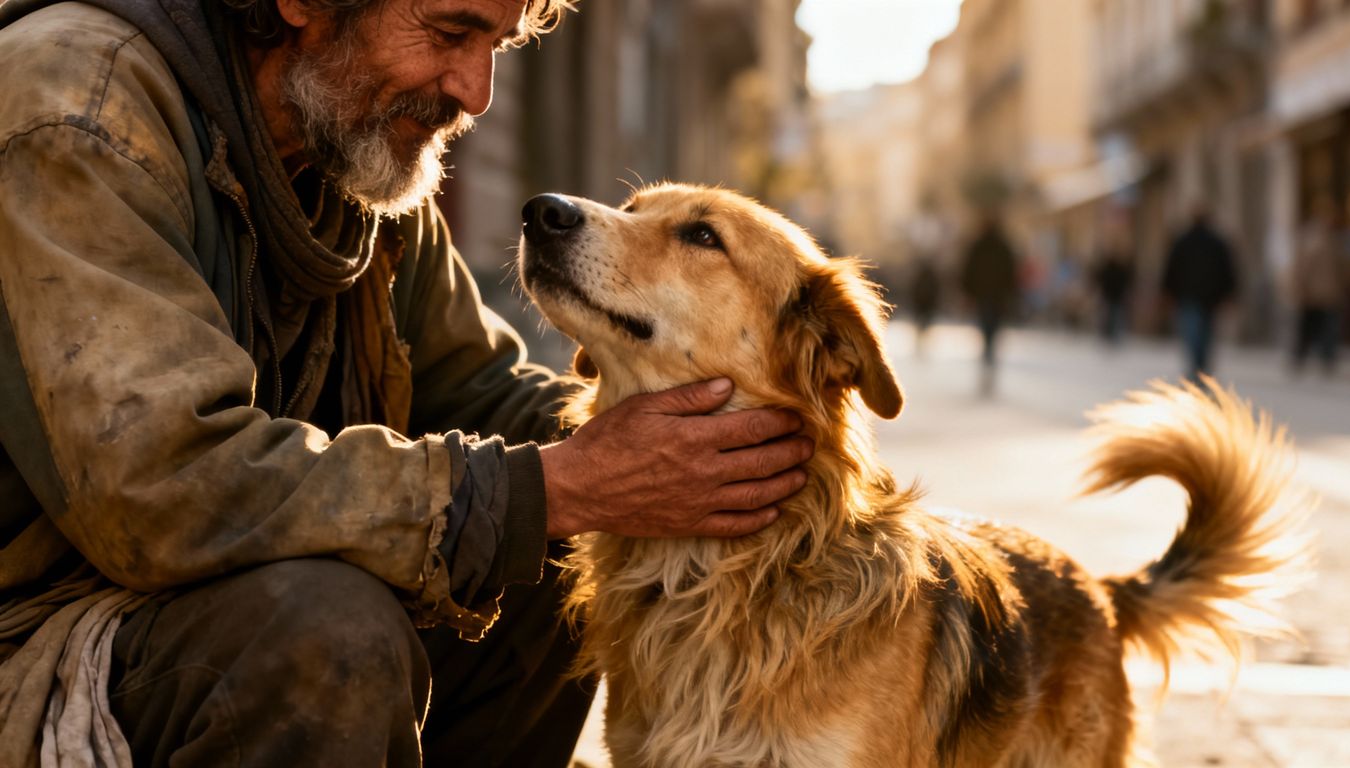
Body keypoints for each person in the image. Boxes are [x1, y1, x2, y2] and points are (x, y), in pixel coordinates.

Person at [0, 1, 813, 766]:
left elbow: (482, 391)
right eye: (451, 32)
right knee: (326, 631)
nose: (476, 91)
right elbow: (164, 486)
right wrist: (558, 488)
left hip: (185, 610)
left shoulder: (347, 150)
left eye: (497, 46)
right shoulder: (76, 105)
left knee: (551, 555)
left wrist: (705, 439)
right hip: (37, 634)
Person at [1161, 208, 1238, 382]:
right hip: (1209, 298)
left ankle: (1197, 368)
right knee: (1204, 334)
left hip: (1189, 296)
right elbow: (1228, 271)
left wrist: (1167, 292)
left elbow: (1171, 269)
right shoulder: (1216, 242)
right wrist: (1229, 294)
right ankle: (1201, 368)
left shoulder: (1183, 241)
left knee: (1193, 334)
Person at [960, 213, 1020, 395]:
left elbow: (967, 271)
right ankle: (989, 359)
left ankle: (988, 359)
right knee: (992, 331)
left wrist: (968, 293)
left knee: (987, 330)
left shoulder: (979, 245)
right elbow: (1011, 274)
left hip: (985, 297)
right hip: (997, 298)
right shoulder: (1003, 246)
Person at [1290, 202, 1350, 375]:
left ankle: (1319, 358)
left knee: (1321, 329)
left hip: (1324, 294)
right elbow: (1303, 268)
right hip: (1317, 294)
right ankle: (1309, 358)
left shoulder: (1329, 242)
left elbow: (1342, 269)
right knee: (1314, 328)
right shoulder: (1322, 242)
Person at [1092, 239, 1134, 346]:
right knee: (1113, 315)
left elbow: (1100, 278)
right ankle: (1111, 335)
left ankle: (1112, 336)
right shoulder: (1115, 267)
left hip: (1113, 295)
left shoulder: (1114, 267)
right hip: (1113, 295)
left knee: (1113, 315)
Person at [907, 256, 941, 356]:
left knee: (922, 324)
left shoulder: (920, 278)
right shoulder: (932, 277)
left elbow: (914, 291)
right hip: (925, 305)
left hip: (922, 305)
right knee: (924, 323)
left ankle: (921, 341)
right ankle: (922, 340)